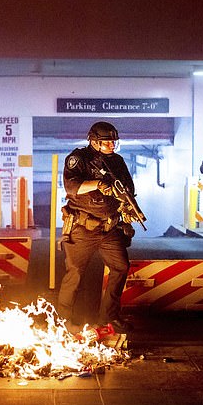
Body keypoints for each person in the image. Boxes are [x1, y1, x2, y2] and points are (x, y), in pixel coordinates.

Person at [57, 121, 136, 333]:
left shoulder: (117, 162)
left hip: (109, 228)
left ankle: (108, 318)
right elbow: (71, 187)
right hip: (83, 227)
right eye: (107, 142)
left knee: (120, 267)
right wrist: (99, 185)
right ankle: (63, 322)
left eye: (113, 142)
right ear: (93, 141)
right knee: (75, 274)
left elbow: (128, 189)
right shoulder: (78, 159)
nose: (112, 146)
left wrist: (126, 217)